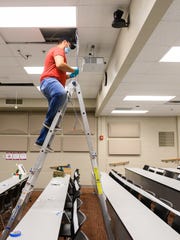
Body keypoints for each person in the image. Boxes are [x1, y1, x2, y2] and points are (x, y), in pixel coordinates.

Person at [35, 37, 79, 151]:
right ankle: (48, 121)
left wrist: (70, 76)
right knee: (61, 93)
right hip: (49, 81)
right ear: (65, 42)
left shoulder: (58, 53)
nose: (69, 49)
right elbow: (60, 65)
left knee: (55, 115)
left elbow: (58, 72)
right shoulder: (58, 50)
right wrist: (73, 70)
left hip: (51, 83)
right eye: (69, 46)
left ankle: (42, 141)